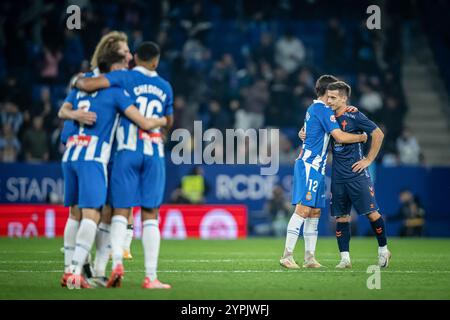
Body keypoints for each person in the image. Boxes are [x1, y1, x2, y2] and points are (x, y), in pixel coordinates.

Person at [58, 49, 167, 289]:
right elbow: (145, 122)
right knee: (98, 213)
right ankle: (84, 269)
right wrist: (161, 121)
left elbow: (63, 115)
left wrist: (74, 108)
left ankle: (79, 268)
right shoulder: (118, 92)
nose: (128, 62)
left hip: (73, 153)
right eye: (124, 58)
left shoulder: (80, 91)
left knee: (78, 214)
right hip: (102, 158)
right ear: (114, 68)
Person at [279, 75, 367, 269]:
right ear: (327, 94)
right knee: (303, 209)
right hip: (309, 165)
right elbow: (339, 136)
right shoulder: (321, 110)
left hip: (317, 168)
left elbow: (309, 130)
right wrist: (361, 137)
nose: (334, 98)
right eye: (333, 95)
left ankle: (309, 258)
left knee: (315, 212)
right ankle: (287, 255)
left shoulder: (316, 109)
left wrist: (349, 109)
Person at [323, 81, 391, 268]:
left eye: (333, 97)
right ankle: (345, 259)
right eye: (328, 97)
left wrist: (368, 160)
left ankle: (383, 250)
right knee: (341, 217)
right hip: (338, 176)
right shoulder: (326, 116)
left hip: (356, 174)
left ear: (344, 99)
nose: (329, 100)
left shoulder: (355, 115)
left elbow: (378, 134)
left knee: (371, 213)